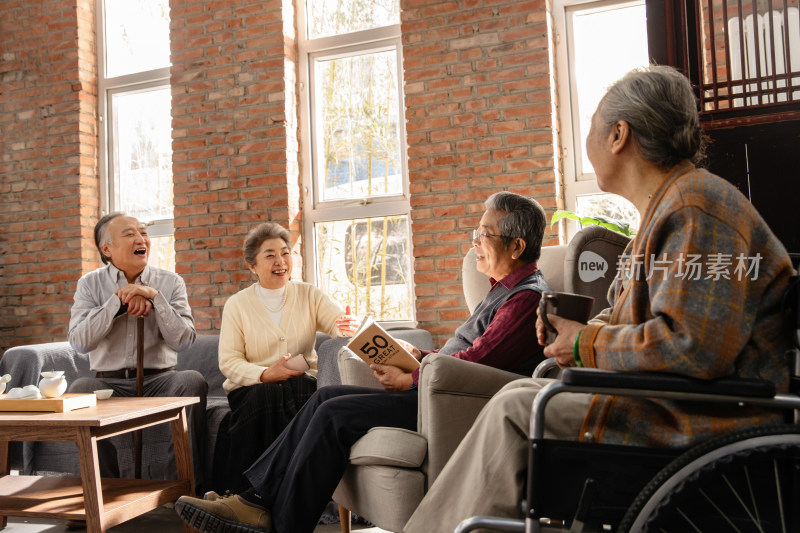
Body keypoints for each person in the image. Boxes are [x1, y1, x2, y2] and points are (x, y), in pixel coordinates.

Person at [403, 65, 796, 533]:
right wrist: (579, 333)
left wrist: (582, 344)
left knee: (515, 409)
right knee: (520, 393)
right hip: (661, 401)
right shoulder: (665, 211)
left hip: (692, 418)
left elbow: (692, 348)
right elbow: (632, 317)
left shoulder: (696, 208)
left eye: (590, 127)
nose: (586, 143)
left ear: (618, 135)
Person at [174, 191, 550, 533]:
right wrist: (418, 354)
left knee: (332, 415)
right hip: (437, 388)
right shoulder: (500, 292)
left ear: (516, 246)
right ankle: (254, 502)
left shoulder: (525, 300)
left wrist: (412, 378)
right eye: (476, 231)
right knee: (325, 397)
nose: (475, 242)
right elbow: (470, 355)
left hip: (451, 403)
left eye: (485, 234)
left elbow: (478, 362)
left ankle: (273, 520)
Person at [213, 222, 359, 492]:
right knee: (267, 395)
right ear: (252, 266)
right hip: (252, 387)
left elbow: (337, 323)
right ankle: (247, 494)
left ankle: (290, 493)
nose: (280, 261)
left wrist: (346, 325)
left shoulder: (309, 294)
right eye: (270, 255)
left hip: (300, 379)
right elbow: (229, 361)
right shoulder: (237, 305)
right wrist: (266, 374)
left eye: (285, 253)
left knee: (304, 394)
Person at [67, 213, 208, 489]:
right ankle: (104, 490)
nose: (141, 239)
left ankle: (180, 489)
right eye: (129, 234)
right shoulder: (90, 284)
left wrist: (155, 298)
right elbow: (79, 342)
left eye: (143, 233)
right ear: (106, 249)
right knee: (81, 388)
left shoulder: (171, 282)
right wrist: (116, 304)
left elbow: (185, 341)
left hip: (160, 380)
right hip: (109, 382)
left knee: (191, 381)